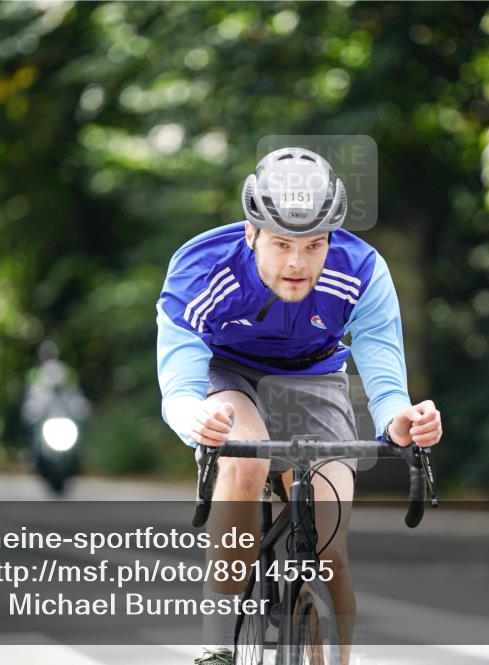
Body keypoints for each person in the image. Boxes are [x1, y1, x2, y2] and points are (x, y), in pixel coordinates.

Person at [156, 147, 443, 665]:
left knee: (330, 542)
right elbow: (179, 369)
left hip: (315, 377)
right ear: (252, 233)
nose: (297, 262)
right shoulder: (202, 267)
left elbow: (382, 369)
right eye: (282, 243)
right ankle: (217, 646)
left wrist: (399, 420)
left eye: (314, 246)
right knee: (247, 459)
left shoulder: (361, 271)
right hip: (230, 373)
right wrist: (189, 414)